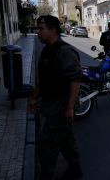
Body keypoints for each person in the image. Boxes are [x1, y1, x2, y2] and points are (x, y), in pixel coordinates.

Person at [28, 15, 82, 180]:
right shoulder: (47, 49)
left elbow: (75, 80)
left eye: (41, 28)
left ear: (53, 30)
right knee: (66, 141)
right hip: (51, 104)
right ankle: (75, 171)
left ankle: (47, 175)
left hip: (61, 106)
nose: (38, 32)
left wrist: (70, 107)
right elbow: (45, 79)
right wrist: (35, 98)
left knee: (47, 145)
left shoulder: (65, 51)